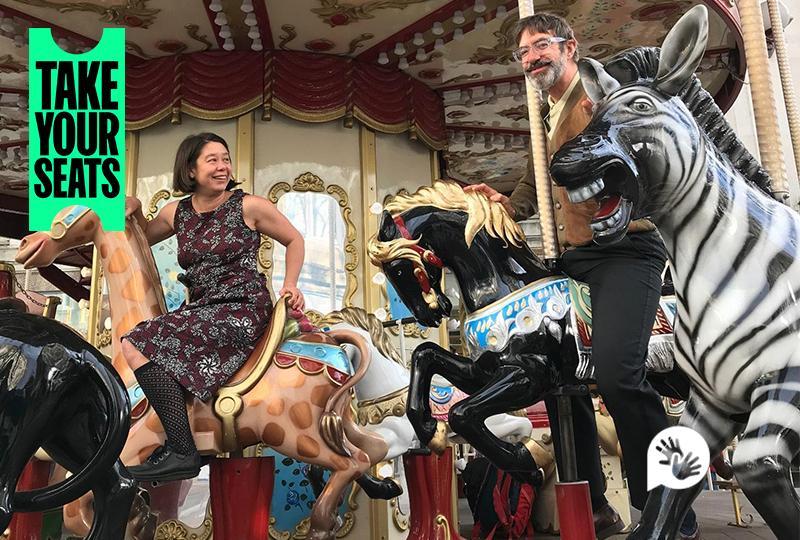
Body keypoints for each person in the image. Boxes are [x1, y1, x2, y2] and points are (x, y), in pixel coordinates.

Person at [465, 14, 700, 540]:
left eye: (540, 47)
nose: (531, 60)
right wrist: (507, 201)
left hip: (626, 250)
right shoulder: (550, 111)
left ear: (570, 46)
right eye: (523, 54)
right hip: (579, 257)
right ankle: (594, 504)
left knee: (621, 377)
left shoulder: (596, 95)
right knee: (555, 379)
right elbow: (537, 176)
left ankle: (671, 509)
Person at [121, 132, 305, 482]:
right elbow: (140, 237)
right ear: (190, 169)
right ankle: (183, 437)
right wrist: (133, 208)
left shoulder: (248, 205)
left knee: (135, 342)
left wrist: (291, 282)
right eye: (213, 160)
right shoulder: (176, 212)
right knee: (140, 342)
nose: (223, 167)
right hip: (202, 307)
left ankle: (182, 451)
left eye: (226, 159)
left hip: (241, 307)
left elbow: (294, 239)